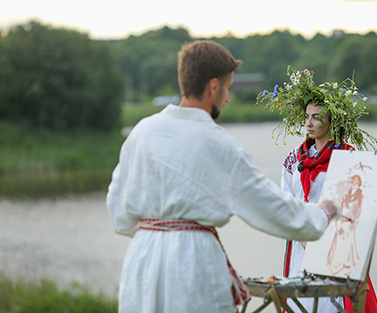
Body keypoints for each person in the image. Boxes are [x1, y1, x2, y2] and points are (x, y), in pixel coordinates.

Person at [106, 41, 340, 313]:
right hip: (192, 265)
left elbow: (118, 215)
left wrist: (160, 233)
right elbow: (270, 208)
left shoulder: (142, 132)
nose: (228, 98)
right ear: (213, 86)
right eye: (227, 88)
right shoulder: (218, 144)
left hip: (142, 263)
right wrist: (321, 214)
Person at [256, 67, 377, 313]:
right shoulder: (294, 158)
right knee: (299, 303)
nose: (308, 122)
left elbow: (355, 208)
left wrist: (323, 243)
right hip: (301, 244)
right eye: (307, 116)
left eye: (316, 117)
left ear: (332, 119)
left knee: (331, 304)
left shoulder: (348, 157)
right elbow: (286, 203)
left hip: (333, 246)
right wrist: (303, 236)